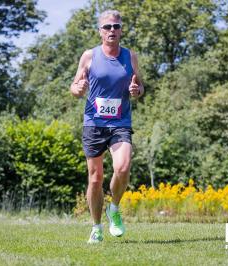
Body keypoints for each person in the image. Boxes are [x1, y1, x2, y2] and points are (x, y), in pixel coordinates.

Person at [70, 10, 144, 244]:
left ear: (121, 30)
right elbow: (74, 86)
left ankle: (114, 208)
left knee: (122, 168)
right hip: (94, 123)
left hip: (120, 122)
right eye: (107, 27)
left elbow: (139, 87)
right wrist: (78, 89)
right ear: (100, 31)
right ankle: (96, 227)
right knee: (95, 178)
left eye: (116, 26)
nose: (112, 30)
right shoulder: (89, 56)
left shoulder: (130, 56)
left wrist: (137, 91)